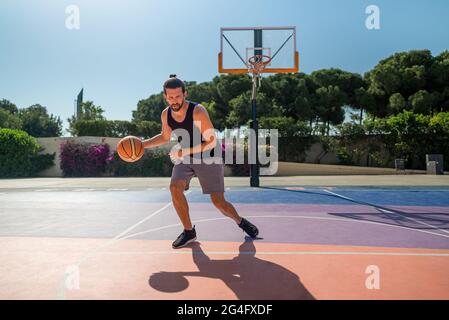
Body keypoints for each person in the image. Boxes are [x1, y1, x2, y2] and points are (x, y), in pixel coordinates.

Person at [142, 75, 259, 249]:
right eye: (171, 97)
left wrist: (184, 151)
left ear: (185, 94)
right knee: (175, 187)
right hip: (187, 156)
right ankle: (189, 231)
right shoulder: (166, 114)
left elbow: (211, 141)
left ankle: (240, 221)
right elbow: (165, 137)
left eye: (178, 96)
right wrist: (142, 145)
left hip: (209, 155)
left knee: (218, 202)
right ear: (165, 97)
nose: (174, 100)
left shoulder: (198, 111)